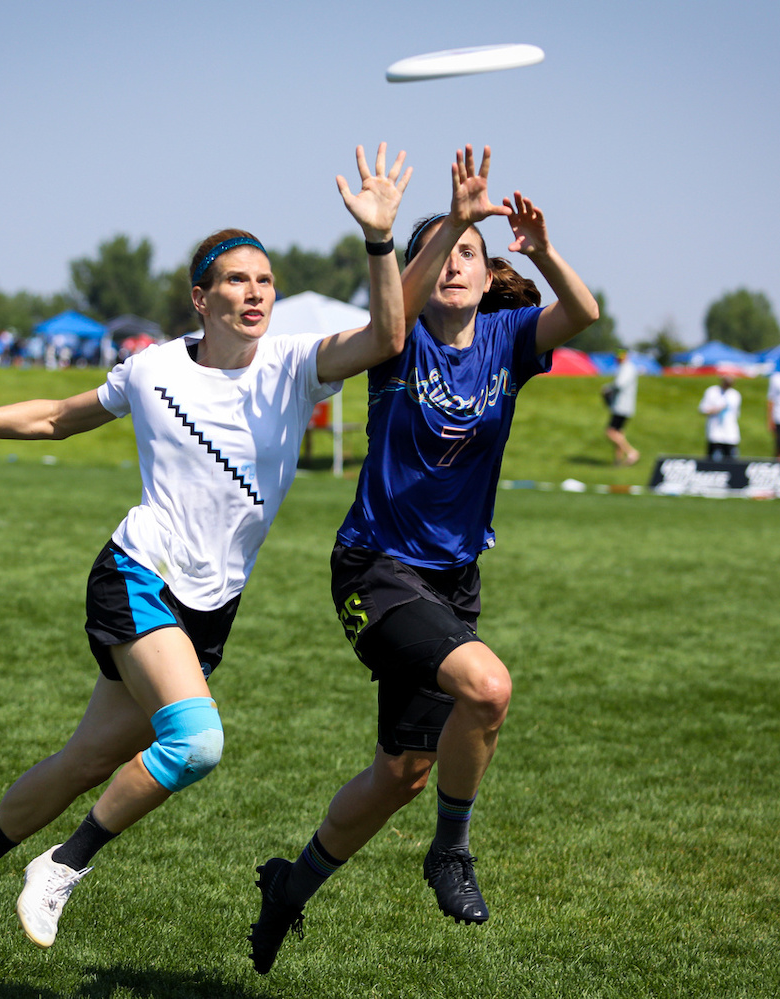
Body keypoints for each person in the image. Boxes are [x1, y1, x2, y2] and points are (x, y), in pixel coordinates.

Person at [0, 144, 412, 959]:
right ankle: (64, 863)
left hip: (210, 603)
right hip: (136, 573)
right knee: (196, 741)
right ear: (202, 297)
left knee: (90, 756)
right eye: (236, 279)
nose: (255, 292)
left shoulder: (298, 365)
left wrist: (380, 240)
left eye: (264, 280)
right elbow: (56, 413)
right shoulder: (151, 370)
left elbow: (387, 335)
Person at [247, 146, 601, 974]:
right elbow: (392, 317)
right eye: (439, 251)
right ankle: (451, 852)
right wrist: (450, 224)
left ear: (488, 276)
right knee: (489, 686)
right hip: (374, 569)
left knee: (403, 770)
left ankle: (288, 889)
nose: (455, 263)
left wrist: (539, 248)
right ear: (422, 268)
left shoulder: (512, 338)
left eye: (470, 253)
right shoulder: (395, 345)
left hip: (451, 579)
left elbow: (582, 312)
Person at [605, 348, 641, 466]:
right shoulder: (624, 367)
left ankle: (632, 452)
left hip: (622, 406)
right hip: (621, 405)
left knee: (610, 432)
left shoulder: (627, 368)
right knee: (619, 433)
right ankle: (618, 461)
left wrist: (607, 388)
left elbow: (619, 384)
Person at [698, 373, 742, 460]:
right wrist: (715, 410)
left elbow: (736, 414)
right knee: (714, 459)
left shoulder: (735, 395)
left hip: (731, 434)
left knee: (731, 460)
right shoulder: (712, 391)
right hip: (715, 433)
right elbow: (702, 409)